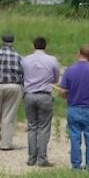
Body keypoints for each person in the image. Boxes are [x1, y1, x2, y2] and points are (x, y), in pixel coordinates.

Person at [60, 44, 89, 171]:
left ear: (78, 53)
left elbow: (63, 92)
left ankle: (76, 166)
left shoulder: (69, 70)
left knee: (75, 138)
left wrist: (66, 94)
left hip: (74, 107)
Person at [22, 36, 60, 167]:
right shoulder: (52, 60)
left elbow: (22, 75)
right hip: (44, 95)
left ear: (33, 46)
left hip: (29, 95)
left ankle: (31, 158)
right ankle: (42, 158)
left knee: (32, 126)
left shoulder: (25, 59)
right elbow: (55, 78)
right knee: (43, 128)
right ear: (45, 46)